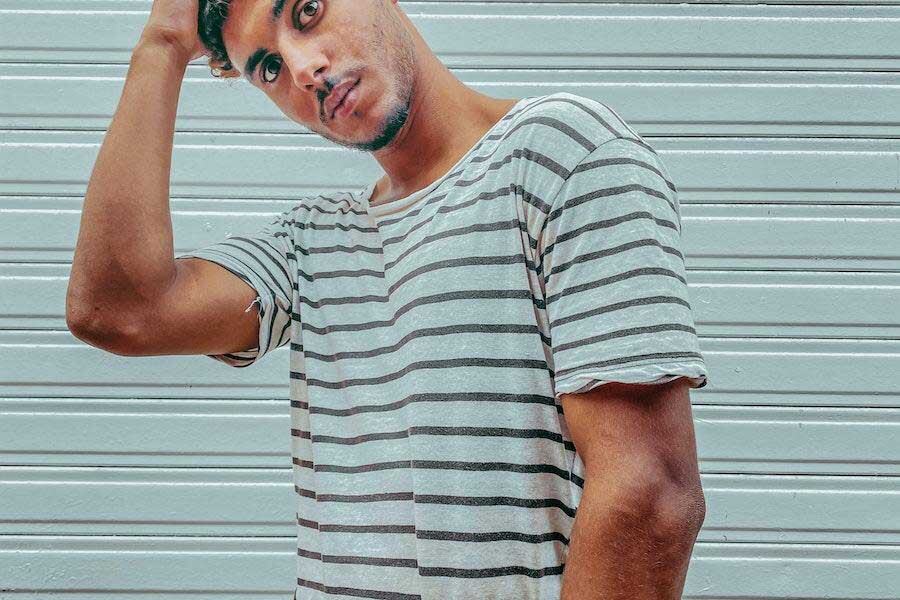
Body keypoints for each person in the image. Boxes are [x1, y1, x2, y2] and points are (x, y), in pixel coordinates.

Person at [66, 1, 711, 598]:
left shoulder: (562, 154)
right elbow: (118, 310)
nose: (301, 67)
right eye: (266, 66)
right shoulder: (315, 244)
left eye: (307, 11)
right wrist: (162, 44)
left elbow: (649, 497)